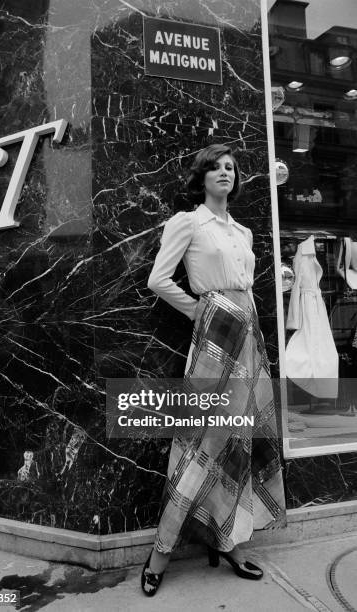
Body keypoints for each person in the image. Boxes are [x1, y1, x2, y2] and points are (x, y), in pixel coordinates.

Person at [142, 144, 286, 596]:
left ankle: (231, 542)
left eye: (231, 168)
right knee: (201, 442)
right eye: (216, 168)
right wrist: (203, 310)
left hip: (249, 342)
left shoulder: (242, 231)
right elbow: (157, 280)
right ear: (201, 177)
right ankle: (160, 552)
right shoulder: (187, 222)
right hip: (214, 342)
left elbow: (247, 289)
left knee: (241, 439)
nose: (225, 173)